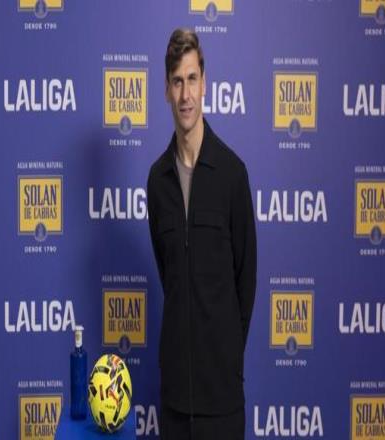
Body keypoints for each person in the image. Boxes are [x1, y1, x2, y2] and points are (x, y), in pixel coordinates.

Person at [147, 28, 257, 439]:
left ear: (205, 83)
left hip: (222, 399)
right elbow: (169, 274)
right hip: (175, 400)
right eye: (177, 81)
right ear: (166, 89)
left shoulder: (232, 174)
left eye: (192, 79)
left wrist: (226, 354)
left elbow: (246, 279)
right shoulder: (157, 180)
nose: (185, 94)